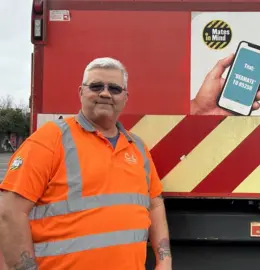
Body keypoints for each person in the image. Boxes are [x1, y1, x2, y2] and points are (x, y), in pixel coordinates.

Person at [0, 57, 172, 270]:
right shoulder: (49, 139)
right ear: (81, 92)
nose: (105, 93)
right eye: (96, 86)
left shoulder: (137, 147)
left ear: (125, 97)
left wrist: (164, 260)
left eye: (115, 88)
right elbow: (9, 212)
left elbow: (154, 204)